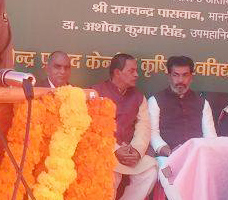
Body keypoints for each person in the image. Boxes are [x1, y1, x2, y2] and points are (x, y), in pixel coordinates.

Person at [148, 55, 216, 199]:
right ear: (169, 76)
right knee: (171, 179)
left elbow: (210, 137)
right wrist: (169, 152)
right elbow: (153, 134)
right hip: (168, 158)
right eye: (176, 75)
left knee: (209, 179)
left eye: (185, 75)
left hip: (197, 157)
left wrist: (198, 153)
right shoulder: (155, 100)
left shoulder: (202, 103)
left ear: (191, 77)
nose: (180, 80)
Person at [92, 53, 157, 200]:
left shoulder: (138, 97)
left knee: (151, 169)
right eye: (131, 71)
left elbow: (143, 126)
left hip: (129, 152)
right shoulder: (96, 93)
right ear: (117, 73)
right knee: (109, 172)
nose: (136, 75)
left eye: (136, 70)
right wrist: (115, 149)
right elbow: (93, 129)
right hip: (105, 152)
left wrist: (136, 151)